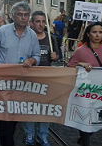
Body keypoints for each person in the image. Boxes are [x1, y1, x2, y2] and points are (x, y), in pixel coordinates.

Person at [0, 2, 40, 146]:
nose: (23, 18)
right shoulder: (2, 31)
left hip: (22, 82)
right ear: (12, 16)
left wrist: (32, 60)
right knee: (5, 118)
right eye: (20, 14)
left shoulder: (32, 35)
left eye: (26, 15)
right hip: (4, 81)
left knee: (15, 115)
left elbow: (37, 54)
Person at [67, 22, 102, 146]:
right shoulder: (80, 50)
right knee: (86, 118)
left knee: (98, 118)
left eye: (100, 32)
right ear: (88, 34)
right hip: (84, 89)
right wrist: (80, 64)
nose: (97, 35)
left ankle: (85, 136)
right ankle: (85, 140)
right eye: (94, 32)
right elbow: (69, 66)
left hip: (101, 89)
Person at [23, 11, 60, 146]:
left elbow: (57, 57)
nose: (41, 24)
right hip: (30, 78)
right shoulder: (27, 37)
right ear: (31, 23)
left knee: (45, 108)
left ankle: (43, 135)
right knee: (30, 108)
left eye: (43, 21)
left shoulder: (51, 38)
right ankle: (30, 134)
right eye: (38, 21)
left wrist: (56, 56)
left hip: (46, 79)